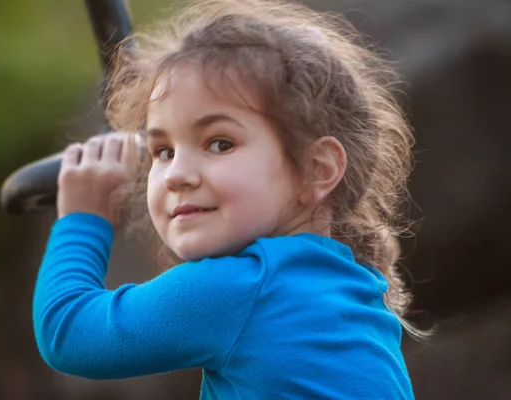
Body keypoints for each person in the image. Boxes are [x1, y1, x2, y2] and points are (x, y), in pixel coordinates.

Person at [32, 0, 423, 398]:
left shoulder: (240, 289)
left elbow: (67, 332)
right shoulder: (354, 288)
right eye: (162, 152)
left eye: (220, 143)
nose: (177, 175)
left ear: (317, 169)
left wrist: (83, 219)